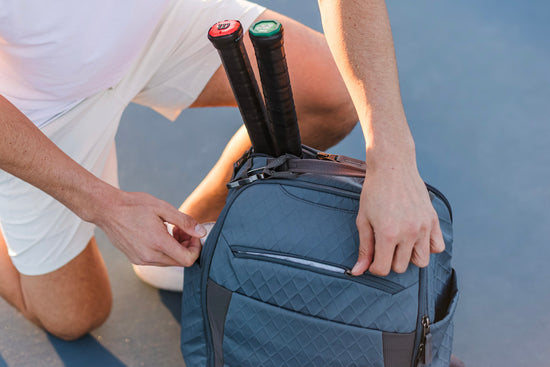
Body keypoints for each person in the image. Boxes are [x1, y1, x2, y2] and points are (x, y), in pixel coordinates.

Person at [0, 0, 443, 342]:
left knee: (334, 96)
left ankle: (194, 235)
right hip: (36, 110)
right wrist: (105, 205)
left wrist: (394, 155)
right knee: (75, 317)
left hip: (160, 21)